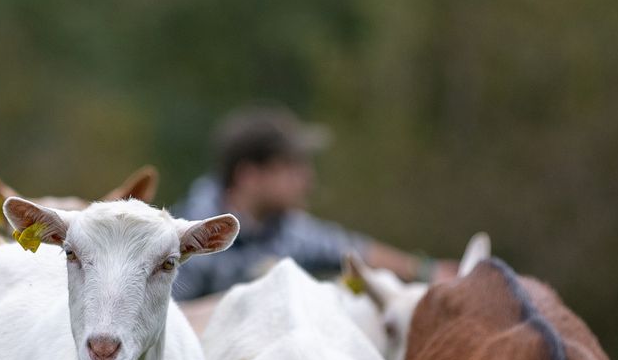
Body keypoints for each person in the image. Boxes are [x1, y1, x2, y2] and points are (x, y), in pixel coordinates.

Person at [172, 106, 440, 300]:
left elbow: (354, 252)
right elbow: (166, 322)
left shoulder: (285, 228)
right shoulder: (187, 241)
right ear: (249, 176)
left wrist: (428, 272)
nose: (308, 179)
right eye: (290, 165)